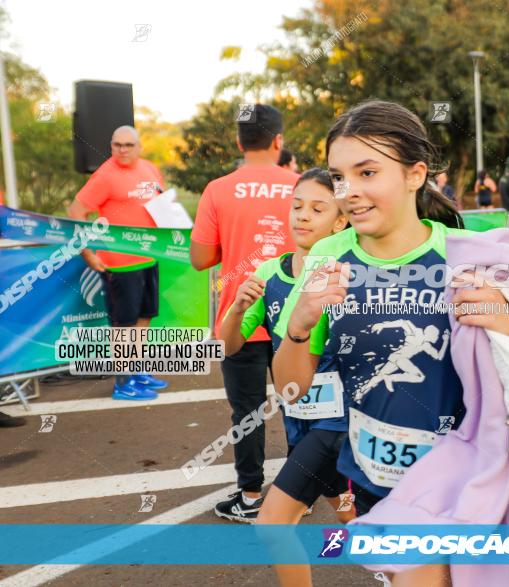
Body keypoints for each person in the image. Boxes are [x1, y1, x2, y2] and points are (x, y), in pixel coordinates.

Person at [267, 100, 509, 586]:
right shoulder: (328, 255)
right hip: (367, 478)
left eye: (367, 172)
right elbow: (292, 391)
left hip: (452, 481)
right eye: (340, 177)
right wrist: (300, 324)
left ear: (415, 174)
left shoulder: (465, 255)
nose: (351, 193)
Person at [222, 168, 353, 554]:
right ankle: (397, 565)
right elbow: (229, 346)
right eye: (297, 206)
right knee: (344, 504)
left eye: (317, 208)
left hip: (340, 420)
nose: (303, 216)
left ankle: (402, 566)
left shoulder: (344, 272)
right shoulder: (269, 272)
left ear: (340, 221)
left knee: (277, 522)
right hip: (297, 415)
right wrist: (238, 308)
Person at [190, 104, 301, 523]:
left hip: (242, 314)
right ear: (278, 141)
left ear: (239, 141)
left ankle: (251, 495)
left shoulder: (218, 189)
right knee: (301, 403)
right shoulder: (302, 186)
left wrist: (233, 243)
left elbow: (200, 259)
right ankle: (299, 494)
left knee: (248, 412)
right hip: (295, 314)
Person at [68, 125, 168, 401]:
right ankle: (123, 383)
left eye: (128, 145)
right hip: (119, 263)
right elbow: (76, 211)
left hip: (150, 257)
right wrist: (87, 252)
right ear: (111, 146)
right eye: (117, 145)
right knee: (123, 325)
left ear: (139, 146)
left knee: (144, 317)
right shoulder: (104, 176)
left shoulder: (149, 169)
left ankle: (137, 372)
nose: (123, 150)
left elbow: (162, 202)